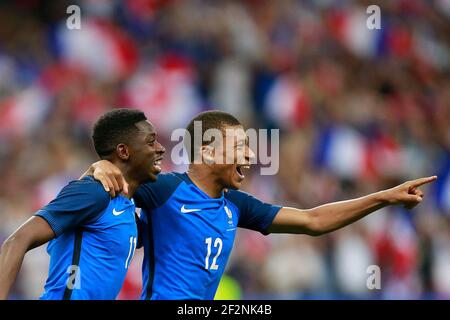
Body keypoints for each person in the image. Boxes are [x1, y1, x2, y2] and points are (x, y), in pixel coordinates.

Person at [86, 110, 437, 300]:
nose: (251, 155)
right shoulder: (163, 190)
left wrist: (384, 197)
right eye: (240, 147)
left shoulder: (236, 205)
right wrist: (102, 168)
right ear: (207, 152)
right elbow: (113, 184)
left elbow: (313, 220)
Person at [0, 108, 165, 300]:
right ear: (123, 151)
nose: (160, 148)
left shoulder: (125, 208)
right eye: (151, 141)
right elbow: (17, 240)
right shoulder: (94, 192)